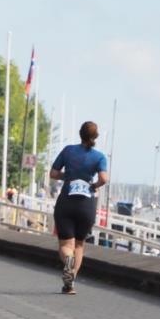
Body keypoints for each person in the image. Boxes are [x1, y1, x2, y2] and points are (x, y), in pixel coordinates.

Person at [49, 121, 109, 295]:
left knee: (66, 244)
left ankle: (67, 260)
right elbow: (104, 179)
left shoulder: (68, 150)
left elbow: (53, 174)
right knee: (80, 245)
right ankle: (71, 282)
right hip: (86, 204)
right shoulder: (99, 157)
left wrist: (67, 175)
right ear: (95, 136)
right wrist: (94, 185)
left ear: (80, 134)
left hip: (66, 201)